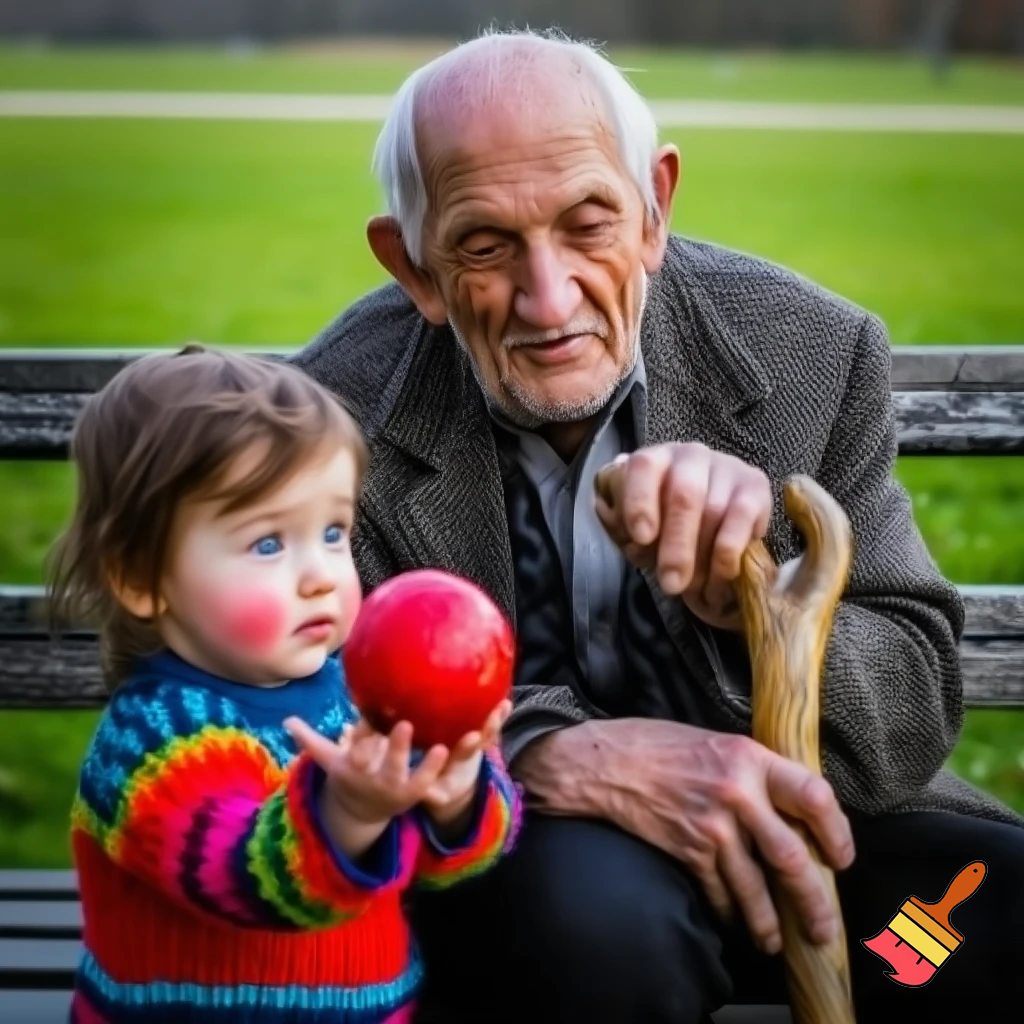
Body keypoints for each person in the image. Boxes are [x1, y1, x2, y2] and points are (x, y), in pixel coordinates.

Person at [293, 28, 1024, 1024]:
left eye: (588, 223)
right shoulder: (330, 413)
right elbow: (305, 699)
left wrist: (750, 595)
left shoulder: (811, 350)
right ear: (413, 265)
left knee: (966, 927)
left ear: (654, 208)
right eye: (484, 245)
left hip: (819, 856)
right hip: (546, 872)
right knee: (597, 933)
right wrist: (551, 753)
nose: (548, 301)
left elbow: (905, 720)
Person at [49, 345, 521, 1023]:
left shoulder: (359, 697)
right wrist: (351, 813)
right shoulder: (154, 740)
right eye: (269, 543)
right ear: (141, 576)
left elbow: (446, 865)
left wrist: (458, 797)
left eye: (334, 532)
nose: (323, 574)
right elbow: (250, 880)